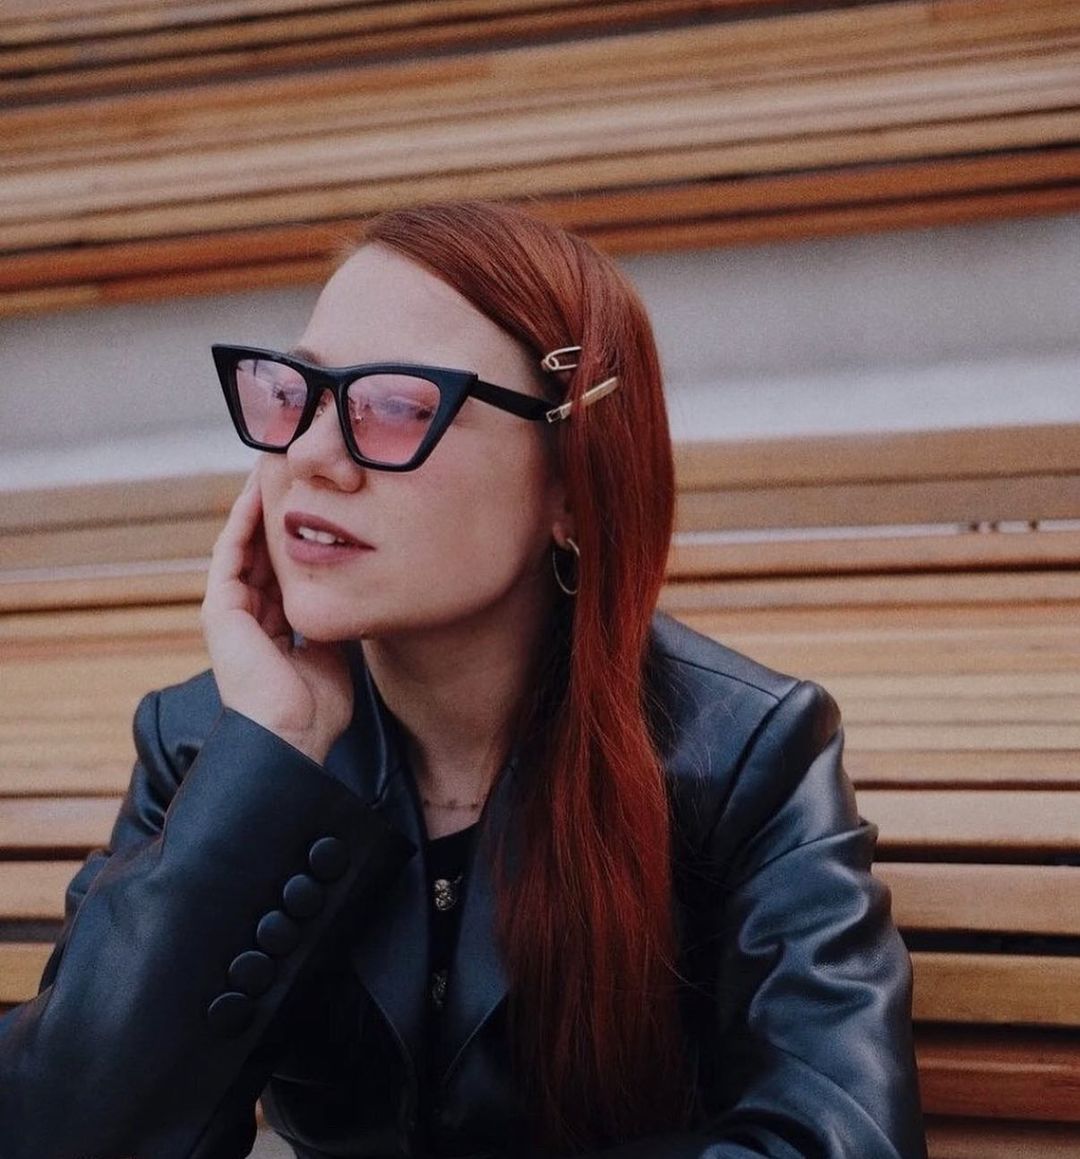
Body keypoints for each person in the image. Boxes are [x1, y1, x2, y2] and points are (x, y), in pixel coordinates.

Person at [0, 201, 927, 1158]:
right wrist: (271, 759)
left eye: (397, 406)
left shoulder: (744, 755)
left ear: (573, 486)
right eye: (295, 393)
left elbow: (842, 1141)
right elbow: (58, 1136)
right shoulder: (215, 742)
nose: (310, 455)